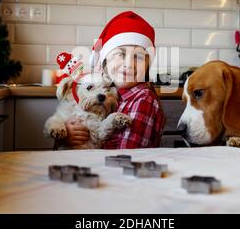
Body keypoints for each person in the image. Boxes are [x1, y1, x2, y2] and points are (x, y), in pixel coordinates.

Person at [61, 11, 165, 149]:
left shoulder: (143, 100)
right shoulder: (111, 93)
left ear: (147, 66)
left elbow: (127, 157)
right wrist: (68, 135)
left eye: (139, 57)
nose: (129, 64)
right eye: (120, 54)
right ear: (104, 61)